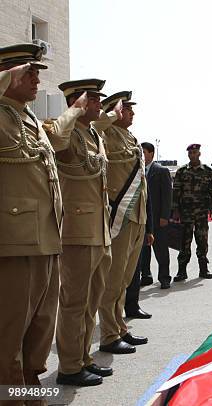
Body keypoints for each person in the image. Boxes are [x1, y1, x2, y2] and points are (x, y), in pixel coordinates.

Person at [0, 44, 84, 388]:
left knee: (39, 330)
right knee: (10, 333)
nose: (36, 80)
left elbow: (60, 135)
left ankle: (29, 391)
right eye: (28, 72)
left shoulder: (29, 118)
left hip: (46, 239)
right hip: (15, 242)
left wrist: (78, 110)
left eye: (37, 73)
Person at [53, 79, 116, 384]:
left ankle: (83, 358)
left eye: (98, 100)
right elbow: (55, 142)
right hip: (77, 230)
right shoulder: (69, 132)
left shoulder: (93, 134)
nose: (98, 105)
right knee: (74, 302)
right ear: (77, 102)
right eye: (91, 100)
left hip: (98, 228)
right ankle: (69, 367)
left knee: (91, 302)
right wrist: (72, 113)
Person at [93, 90, 151, 354]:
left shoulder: (129, 136)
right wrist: (109, 114)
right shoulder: (105, 132)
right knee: (114, 278)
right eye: (126, 109)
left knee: (125, 278)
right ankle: (108, 334)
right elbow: (93, 125)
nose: (132, 113)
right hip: (120, 217)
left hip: (136, 217)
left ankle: (119, 327)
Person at [172, 144, 212, 280]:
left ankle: (203, 269)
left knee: (202, 241)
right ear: (188, 155)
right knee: (184, 242)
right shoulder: (181, 171)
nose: (192, 154)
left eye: (195, 152)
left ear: (199, 154)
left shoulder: (207, 170)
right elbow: (176, 191)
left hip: (202, 213)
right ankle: (182, 271)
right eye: (190, 152)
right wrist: (175, 209)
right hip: (186, 213)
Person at [135, 142, 173, 290]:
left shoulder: (161, 171)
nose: (141, 155)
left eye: (143, 152)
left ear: (151, 153)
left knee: (161, 249)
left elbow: (167, 196)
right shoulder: (137, 171)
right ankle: (146, 276)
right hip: (142, 218)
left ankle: (164, 277)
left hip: (158, 218)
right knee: (143, 250)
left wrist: (165, 216)